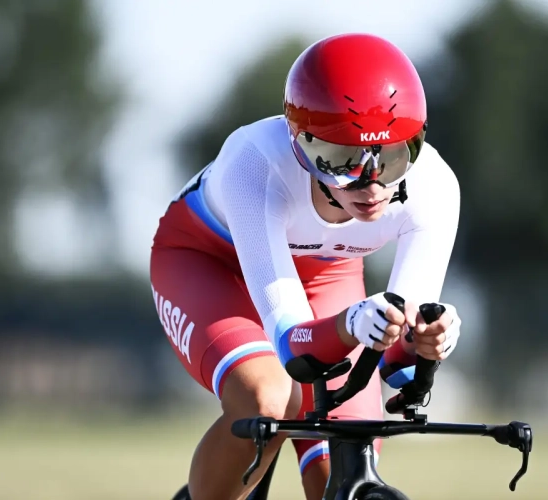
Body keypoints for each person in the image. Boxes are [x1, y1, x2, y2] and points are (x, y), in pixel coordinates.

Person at [150, 32, 462, 500]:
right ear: (301, 145)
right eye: (341, 158)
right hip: (210, 261)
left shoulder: (433, 186)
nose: (370, 183)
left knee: (343, 459)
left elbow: (398, 369)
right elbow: (295, 350)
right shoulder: (254, 162)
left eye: (393, 157)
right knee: (267, 402)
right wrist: (355, 322)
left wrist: (427, 343)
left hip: (327, 276)